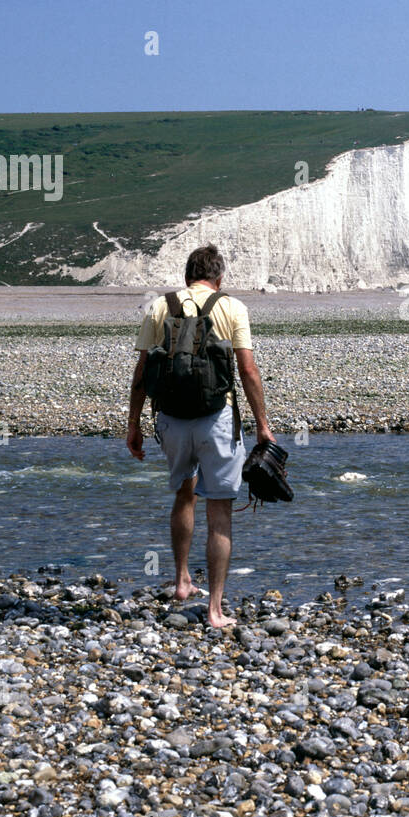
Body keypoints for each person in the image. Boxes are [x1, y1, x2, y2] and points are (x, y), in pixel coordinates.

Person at [126, 244, 275, 628]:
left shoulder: (160, 306)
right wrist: (262, 424)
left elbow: (142, 373)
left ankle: (181, 581)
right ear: (219, 277)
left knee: (183, 494)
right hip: (217, 419)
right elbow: (248, 371)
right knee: (220, 510)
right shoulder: (232, 307)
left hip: (172, 419)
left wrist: (133, 425)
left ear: (187, 275)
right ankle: (215, 610)